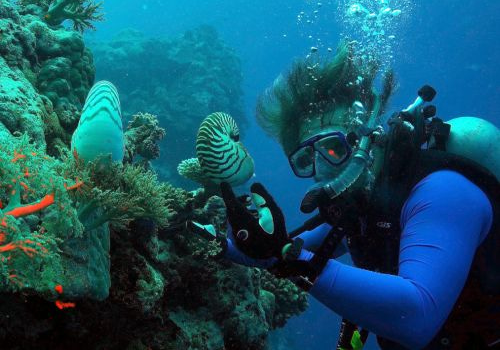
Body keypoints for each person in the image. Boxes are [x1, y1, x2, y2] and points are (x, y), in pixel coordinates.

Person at [190, 41, 499, 349]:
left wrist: (292, 258)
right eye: (305, 159)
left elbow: (418, 317)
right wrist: (223, 244)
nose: (321, 169)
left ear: (368, 139)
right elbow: (275, 252)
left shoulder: (444, 192)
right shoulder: (362, 206)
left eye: (334, 149)